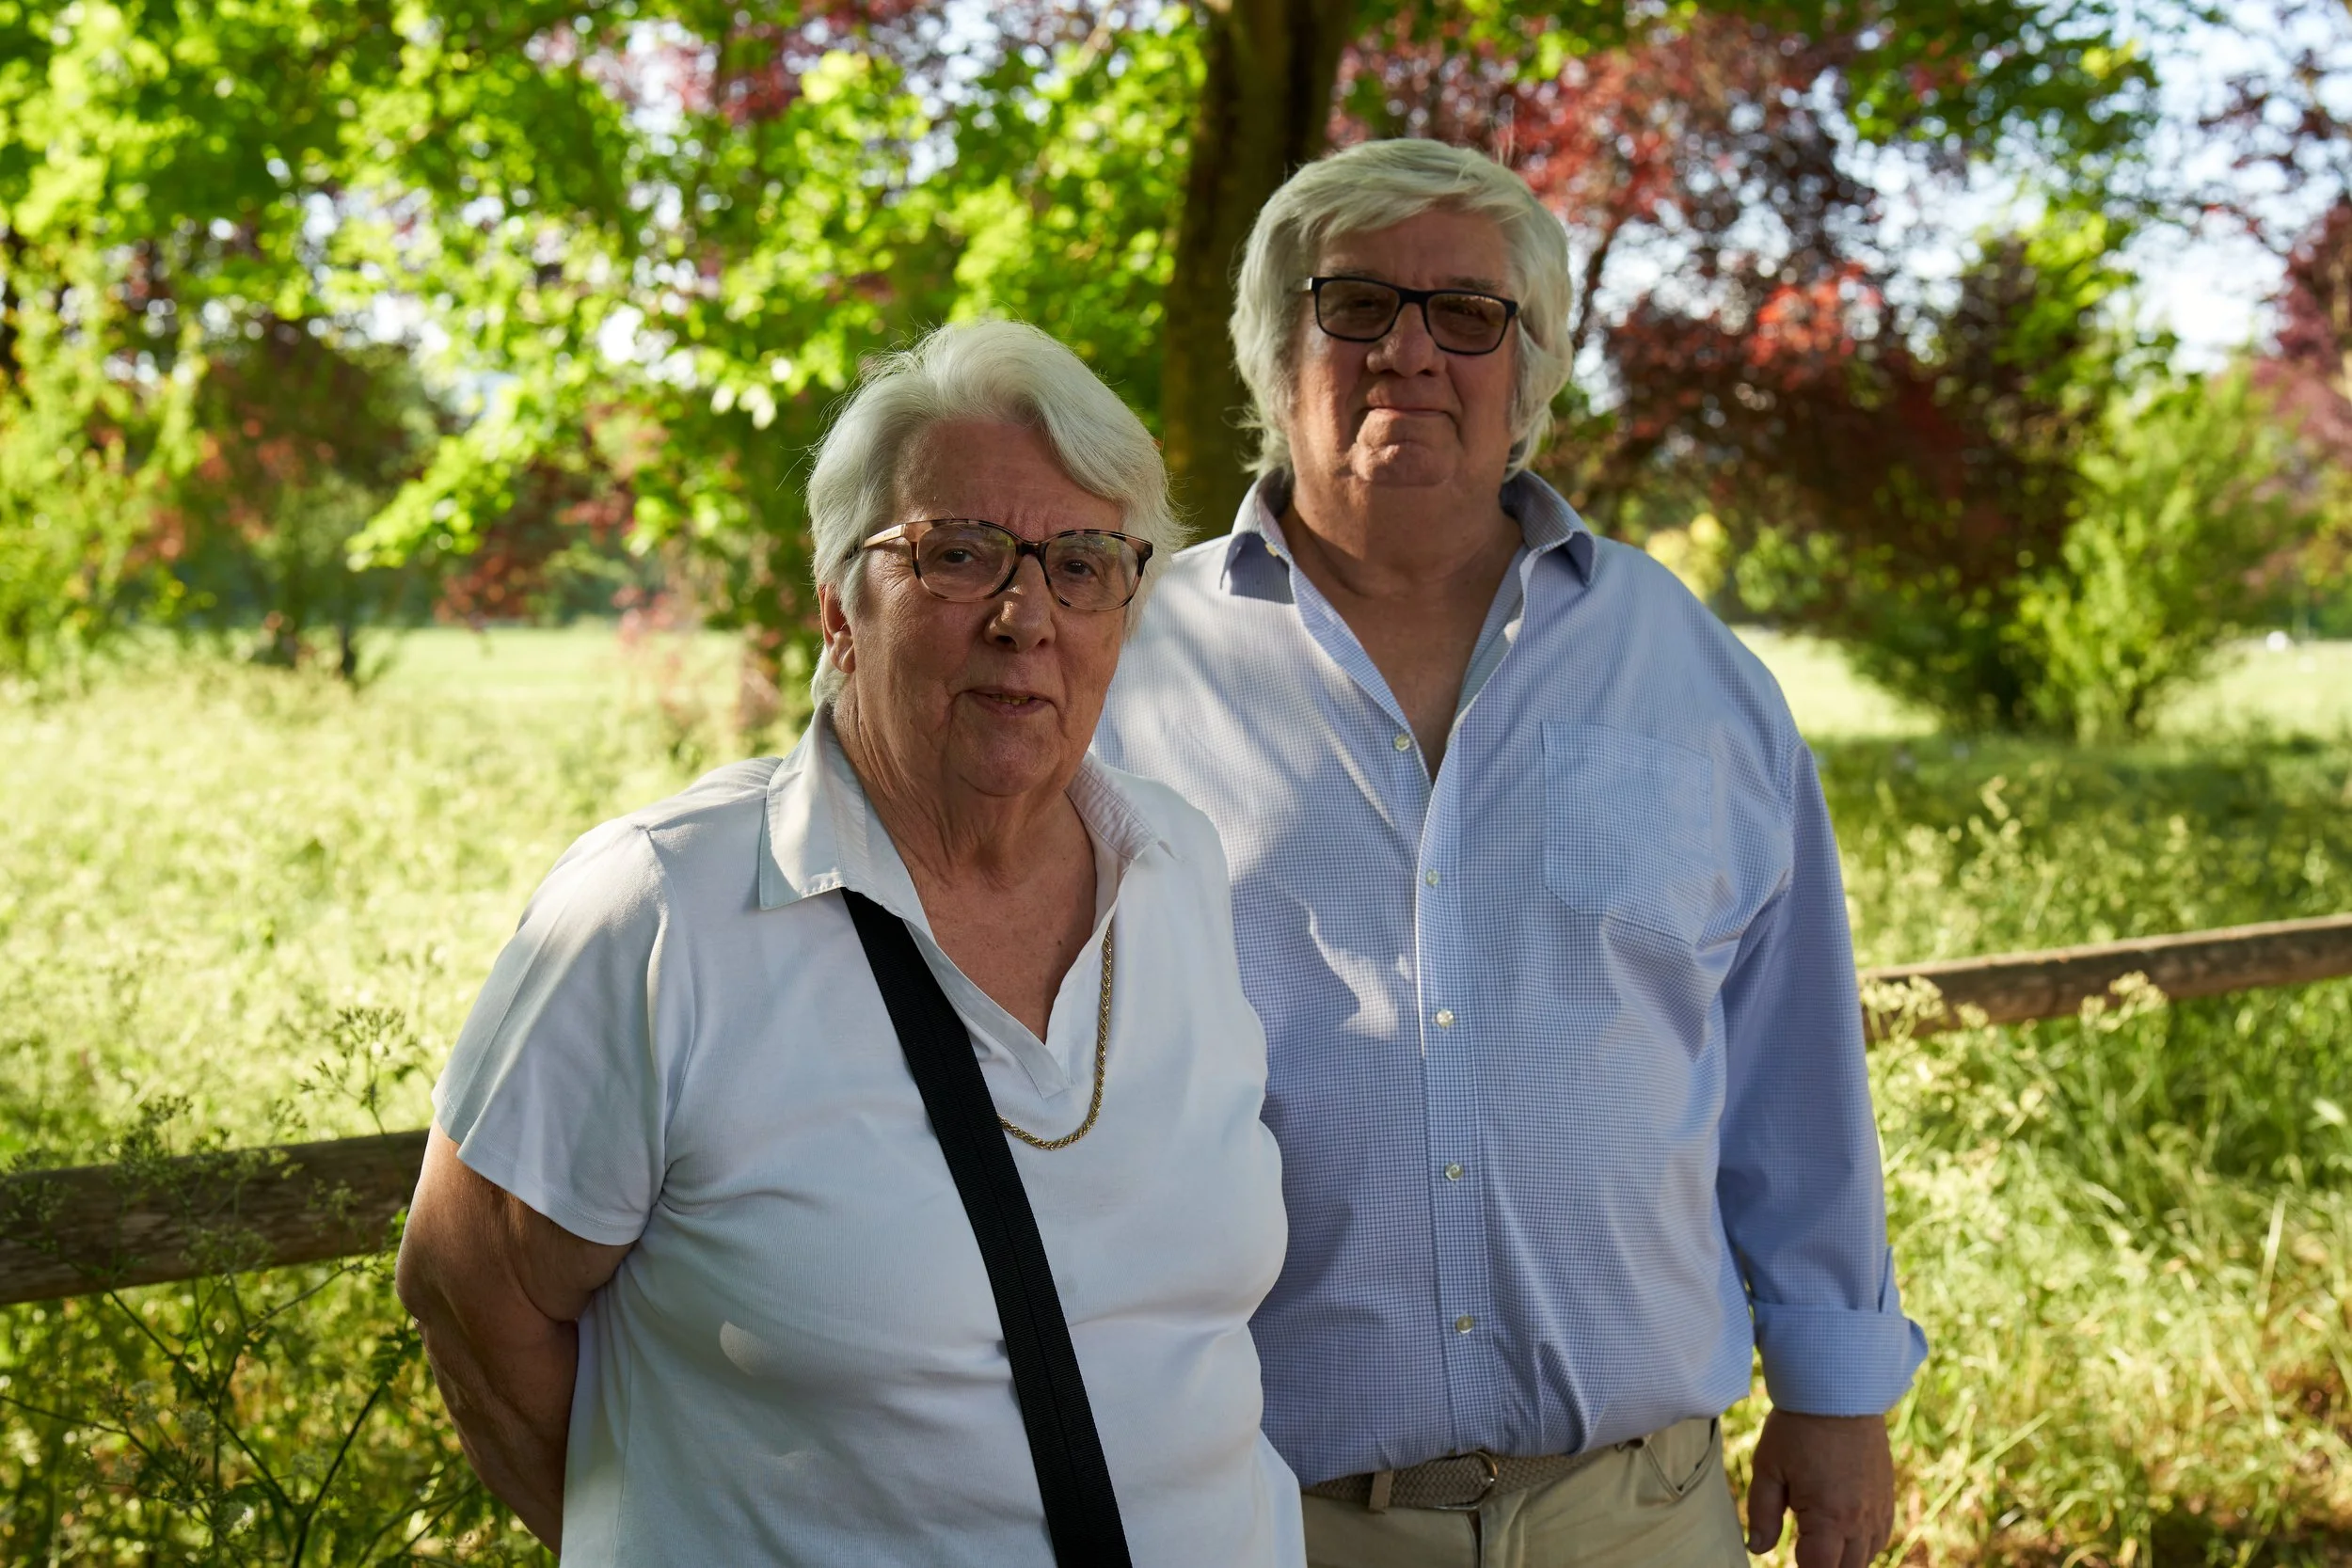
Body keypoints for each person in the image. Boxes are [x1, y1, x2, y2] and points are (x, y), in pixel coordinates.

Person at [1093, 138, 1928, 1568]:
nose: (1410, 350)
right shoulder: (1123, 668)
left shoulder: (1685, 668)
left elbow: (1789, 1055)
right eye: (1357, 304)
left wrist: (1836, 1387)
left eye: (1467, 314)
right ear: (1275, 350)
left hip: (1640, 1512)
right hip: (1262, 1515)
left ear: (1530, 369)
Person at [395, 320, 1307, 1568]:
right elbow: (472, 1299)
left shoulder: (1176, 865)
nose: (1025, 615)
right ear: (837, 605)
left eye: (1081, 564)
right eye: (959, 554)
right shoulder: (663, 910)